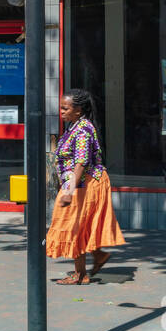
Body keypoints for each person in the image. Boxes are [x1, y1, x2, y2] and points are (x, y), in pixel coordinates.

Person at [48, 88, 126, 285]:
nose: (62, 112)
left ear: (79, 109)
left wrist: (70, 191)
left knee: (73, 225)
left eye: (65, 108)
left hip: (86, 184)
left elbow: (81, 162)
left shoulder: (82, 130)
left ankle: (81, 274)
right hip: (81, 183)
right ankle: (94, 260)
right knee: (79, 225)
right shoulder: (74, 126)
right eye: (61, 108)